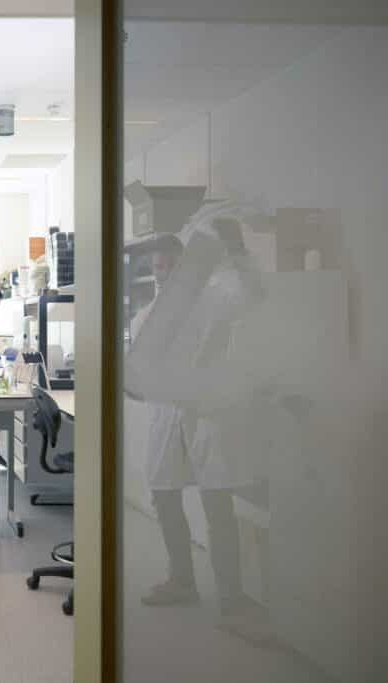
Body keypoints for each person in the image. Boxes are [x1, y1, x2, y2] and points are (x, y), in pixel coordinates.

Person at [133, 224, 264, 629]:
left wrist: (237, 247)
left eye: (169, 265)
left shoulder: (215, 297)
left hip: (205, 409)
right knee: (164, 493)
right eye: (157, 267)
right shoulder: (149, 313)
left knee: (216, 500)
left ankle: (232, 595)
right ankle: (182, 580)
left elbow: (252, 295)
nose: (162, 272)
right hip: (165, 411)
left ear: (187, 266)